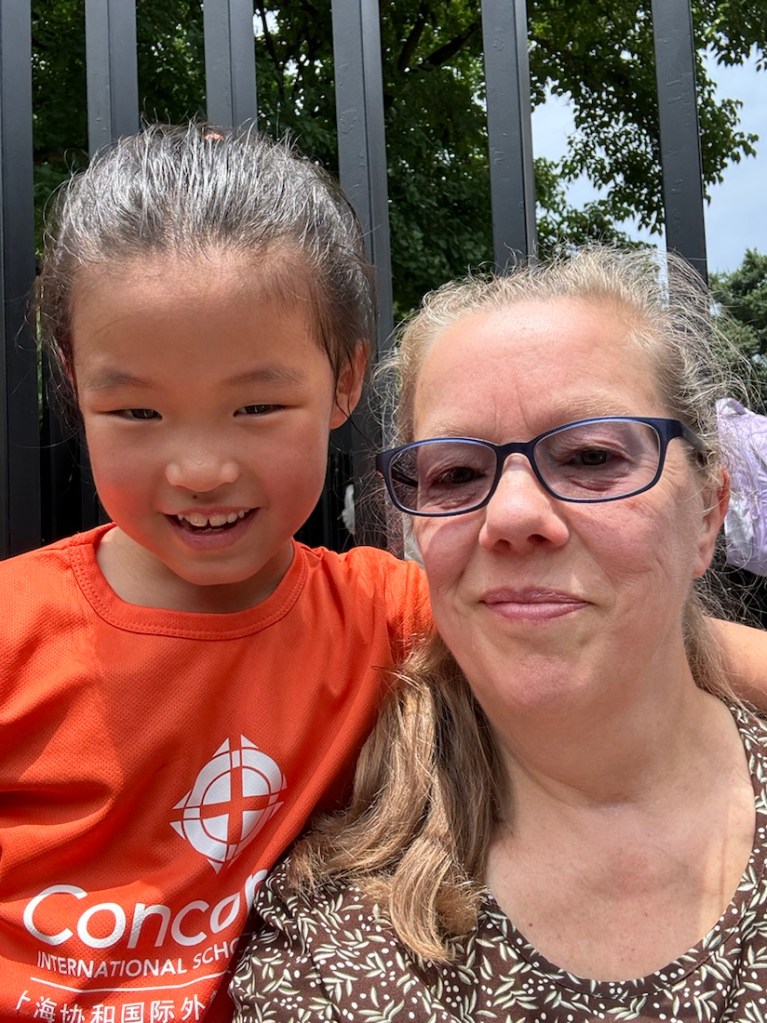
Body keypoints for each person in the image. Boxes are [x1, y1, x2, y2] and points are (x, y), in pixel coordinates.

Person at [232, 247, 767, 1022]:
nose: (512, 514)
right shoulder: (335, 938)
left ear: (707, 514)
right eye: (454, 474)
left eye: (590, 456)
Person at [0, 123, 431, 1021]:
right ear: (75, 383)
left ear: (345, 378)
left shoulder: (384, 614)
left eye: (256, 405)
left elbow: (669, 654)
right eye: (138, 412)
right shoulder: (13, 624)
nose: (199, 469)